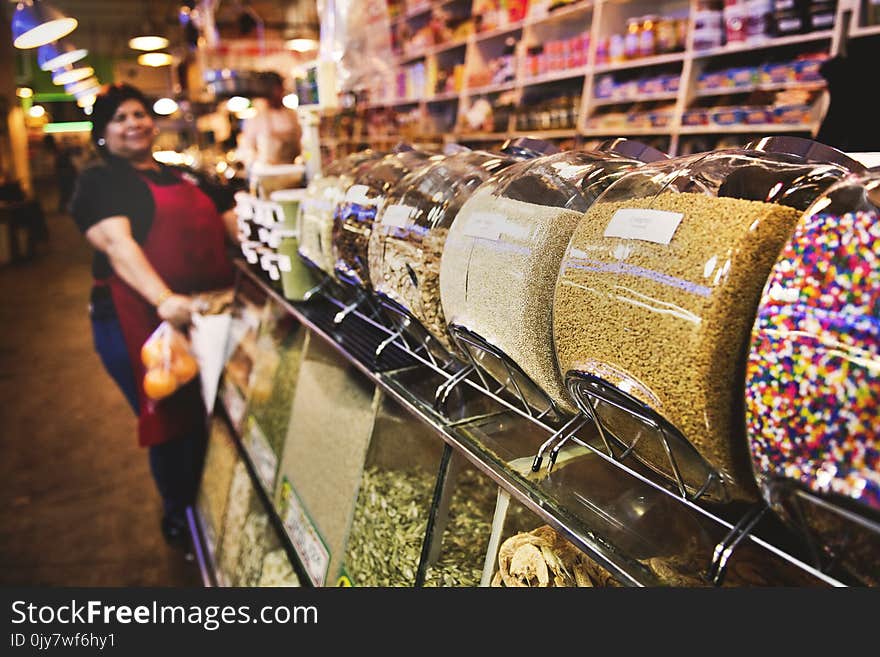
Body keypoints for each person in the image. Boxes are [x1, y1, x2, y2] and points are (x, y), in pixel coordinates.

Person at [69, 83, 239, 547]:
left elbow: (235, 224)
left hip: (207, 315)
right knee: (169, 413)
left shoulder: (187, 177)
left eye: (140, 113)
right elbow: (117, 245)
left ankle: (213, 499)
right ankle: (181, 514)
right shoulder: (99, 182)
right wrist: (163, 298)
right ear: (102, 133)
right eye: (120, 118)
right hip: (138, 319)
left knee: (213, 410)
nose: (134, 124)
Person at [237, 71, 303, 168]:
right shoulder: (256, 119)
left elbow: (301, 141)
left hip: (292, 171)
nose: (280, 93)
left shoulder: (292, 115)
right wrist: (256, 163)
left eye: (280, 89)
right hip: (268, 173)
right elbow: (246, 149)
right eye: (275, 90)